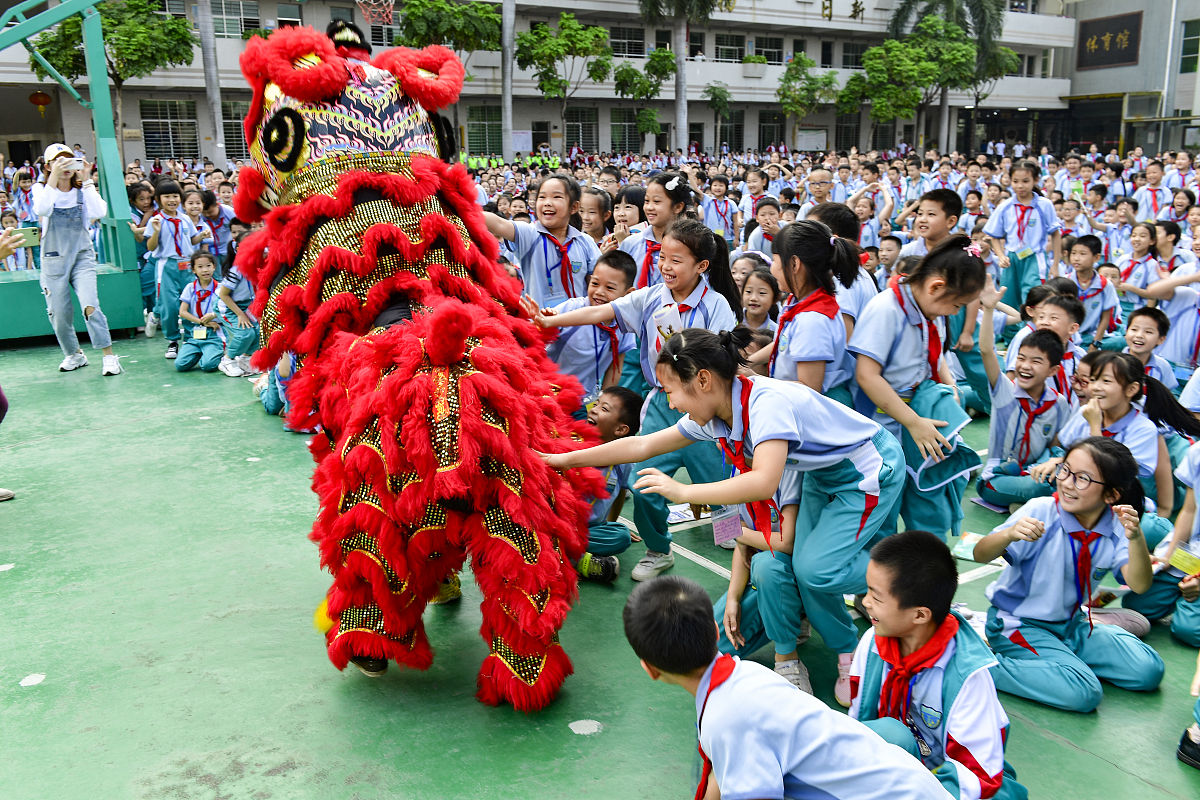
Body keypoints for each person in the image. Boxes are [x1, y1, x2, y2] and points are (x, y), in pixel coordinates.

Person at [549, 327, 903, 703]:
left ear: (702, 380)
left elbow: (764, 482)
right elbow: (642, 445)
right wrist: (563, 460)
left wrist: (684, 492)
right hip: (821, 475)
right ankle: (821, 623)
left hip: (864, 470)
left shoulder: (765, 404)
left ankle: (907, 579)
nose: (670, 404)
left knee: (815, 570)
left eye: (670, 391)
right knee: (795, 571)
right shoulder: (720, 413)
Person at [529, 218, 739, 581]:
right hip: (662, 405)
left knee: (723, 486)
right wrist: (550, 322)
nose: (666, 266)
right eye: (663, 257)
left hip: (706, 409)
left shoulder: (716, 305)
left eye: (676, 260)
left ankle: (733, 538)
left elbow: (723, 363)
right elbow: (603, 311)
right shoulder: (651, 296)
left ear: (701, 266)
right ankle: (659, 550)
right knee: (645, 485)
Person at [621, 576, 950, 800]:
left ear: (650, 669)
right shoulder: (747, 674)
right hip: (908, 782)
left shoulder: (725, 719)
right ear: (715, 630)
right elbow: (722, 771)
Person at [973, 436, 1164, 712]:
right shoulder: (1041, 511)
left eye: (1082, 478)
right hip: (1020, 625)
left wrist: (1136, 538)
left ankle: (1060, 659)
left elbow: (1140, 585)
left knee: (1148, 670)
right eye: (1065, 470)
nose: (1066, 482)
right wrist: (1008, 534)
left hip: (1072, 624)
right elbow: (980, 554)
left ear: (1111, 495)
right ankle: (980, 666)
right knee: (1083, 692)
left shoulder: (1115, 526)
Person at [851, 531, 1027, 800]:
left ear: (920, 614)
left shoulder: (967, 677)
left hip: (953, 784)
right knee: (887, 732)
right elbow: (858, 725)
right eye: (867, 591)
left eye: (876, 598)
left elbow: (976, 777)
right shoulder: (873, 643)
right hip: (903, 765)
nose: (865, 602)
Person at [850, 234, 986, 540]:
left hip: (921, 417)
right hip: (884, 425)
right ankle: (878, 570)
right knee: (883, 509)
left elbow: (933, 353)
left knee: (931, 502)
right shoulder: (886, 309)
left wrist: (949, 383)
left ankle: (926, 562)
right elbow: (867, 376)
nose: (954, 312)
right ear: (936, 287)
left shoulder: (928, 308)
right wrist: (913, 422)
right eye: (956, 305)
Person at [976, 277, 1071, 510]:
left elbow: (1056, 446)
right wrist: (989, 309)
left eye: (1036, 361)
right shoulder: (1005, 391)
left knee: (1066, 476)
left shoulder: (1057, 403)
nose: (1025, 366)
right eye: (1021, 359)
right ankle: (1031, 503)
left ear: (1053, 370)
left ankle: (1026, 504)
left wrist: (1054, 462)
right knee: (1041, 487)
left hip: (1037, 471)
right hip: (998, 479)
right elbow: (987, 350)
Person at [33, 144, 122, 376]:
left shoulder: (83, 190)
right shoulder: (41, 189)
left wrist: (87, 180)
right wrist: (53, 180)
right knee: (58, 313)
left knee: (90, 305)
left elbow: (99, 212)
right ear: (48, 166)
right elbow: (41, 209)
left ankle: (108, 356)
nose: (64, 165)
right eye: (58, 161)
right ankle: (74, 354)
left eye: (68, 160)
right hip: (53, 259)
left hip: (82, 256)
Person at [759, 219, 859, 402]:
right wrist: (750, 361)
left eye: (775, 261)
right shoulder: (801, 302)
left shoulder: (812, 320)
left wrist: (756, 381)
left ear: (794, 264)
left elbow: (809, 387)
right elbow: (785, 342)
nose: (771, 269)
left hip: (816, 409)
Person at [1120, 440, 1200, 645]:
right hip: (1193, 555)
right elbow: (1189, 511)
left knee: (1189, 630)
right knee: (1138, 605)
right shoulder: (1197, 453)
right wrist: (1168, 556)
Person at [484, 174, 599, 309]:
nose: (547, 203)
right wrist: (465, 210)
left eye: (556, 197)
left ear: (573, 207)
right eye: (542, 197)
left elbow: (596, 283)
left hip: (578, 320)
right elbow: (498, 223)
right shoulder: (529, 234)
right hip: (539, 320)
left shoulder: (585, 241)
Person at [543, 250, 637, 407]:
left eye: (610, 288)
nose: (599, 292)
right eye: (595, 283)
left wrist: (602, 402)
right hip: (548, 391)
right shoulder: (572, 308)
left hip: (581, 401)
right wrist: (546, 321)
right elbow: (539, 331)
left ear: (628, 294)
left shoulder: (624, 325)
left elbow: (615, 368)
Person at [574, 386, 643, 583]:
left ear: (620, 430)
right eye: (596, 404)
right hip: (558, 525)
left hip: (589, 530)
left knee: (621, 536)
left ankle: (566, 556)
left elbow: (621, 492)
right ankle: (578, 561)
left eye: (604, 409)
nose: (593, 410)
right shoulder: (573, 445)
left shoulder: (623, 461)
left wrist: (610, 524)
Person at [985, 160, 1060, 309]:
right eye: (1015, 181)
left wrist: (1055, 264)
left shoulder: (1044, 205)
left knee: (1033, 298)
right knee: (1008, 300)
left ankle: (1031, 324)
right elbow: (994, 235)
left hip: (1034, 257)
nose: (1020, 186)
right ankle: (1012, 326)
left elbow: (1056, 234)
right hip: (1012, 258)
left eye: (1025, 181)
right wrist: (1001, 255)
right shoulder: (1005, 206)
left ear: (1035, 180)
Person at [146, 179, 205, 359]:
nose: (172, 200)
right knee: (170, 305)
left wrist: (202, 235)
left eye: (175, 196)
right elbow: (150, 247)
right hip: (167, 265)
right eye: (167, 197)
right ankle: (172, 341)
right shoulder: (155, 220)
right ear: (158, 199)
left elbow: (192, 240)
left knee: (191, 302)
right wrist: (156, 231)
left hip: (187, 264)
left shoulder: (185, 219)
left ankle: (191, 339)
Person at [174, 252, 225, 373]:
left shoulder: (221, 288)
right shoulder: (190, 287)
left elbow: (227, 310)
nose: (205, 270)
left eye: (208, 266)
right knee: (180, 364)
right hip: (196, 333)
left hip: (215, 332)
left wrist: (213, 315)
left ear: (214, 267)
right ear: (193, 270)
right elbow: (183, 312)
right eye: (200, 267)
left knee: (208, 366)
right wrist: (202, 322)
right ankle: (203, 352)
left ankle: (215, 353)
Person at [216, 254, 259, 378]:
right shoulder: (236, 271)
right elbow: (224, 295)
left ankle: (245, 359)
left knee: (258, 331)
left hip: (248, 304)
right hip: (228, 306)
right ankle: (227, 360)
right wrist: (240, 314)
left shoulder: (259, 266)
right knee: (244, 333)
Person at [739, 267, 781, 333]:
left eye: (762, 293)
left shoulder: (776, 332)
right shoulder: (732, 322)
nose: (753, 298)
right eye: (748, 291)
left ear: (775, 298)